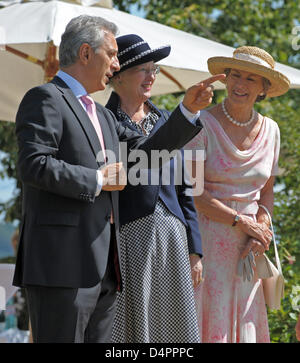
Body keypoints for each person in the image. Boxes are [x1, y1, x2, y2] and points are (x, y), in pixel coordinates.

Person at [12, 15, 223, 343]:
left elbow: (150, 152)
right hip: (62, 266)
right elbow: (33, 165)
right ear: (85, 54)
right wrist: (96, 179)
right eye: (111, 54)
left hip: (107, 269)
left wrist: (187, 112)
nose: (115, 62)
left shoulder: (102, 116)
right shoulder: (45, 98)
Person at [184, 46, 290, 343]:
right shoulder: (199, 124)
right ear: (225, 78)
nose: (240, 84)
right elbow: (193, 193)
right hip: (207, 243)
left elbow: (266, 191)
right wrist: (242, 223)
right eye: (235, 75)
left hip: (249, 250)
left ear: (264, 89)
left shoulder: (272, 130)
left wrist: (261, 232)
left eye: (251, 79)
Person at [106, 34, 203, 343]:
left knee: (175, 330)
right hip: (129, 239)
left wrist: (195, 250)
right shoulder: (103, 122)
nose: (152, 77)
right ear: (118, 77)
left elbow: (186, 190)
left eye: (154, 69)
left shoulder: (165, 120)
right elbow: (133, 163)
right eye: (143, 69)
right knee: (133, 332)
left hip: (174, 239)